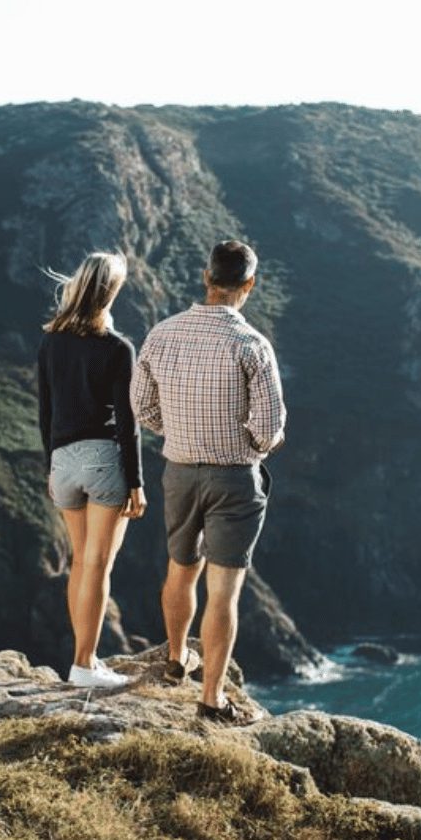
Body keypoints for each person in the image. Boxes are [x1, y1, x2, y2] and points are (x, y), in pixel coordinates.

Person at [131, 240, 286, 723]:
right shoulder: (252, 346)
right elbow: (268, 430)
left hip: (177, 471)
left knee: (180, 568)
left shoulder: (161, 334)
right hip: (234, 478)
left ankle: (177, 659)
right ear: (249, 285)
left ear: (206, 276)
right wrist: (259, 447)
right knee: (224, 590)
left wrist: (177, 430)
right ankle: (212, 699)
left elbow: (142, 408)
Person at [38, 251, 147, 689]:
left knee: (80, 564)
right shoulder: (118, 349)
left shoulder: (50, 342)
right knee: (98, 565)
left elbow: (45, 412)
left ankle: (83, 660)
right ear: (110, 292)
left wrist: (52, 466)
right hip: (103, 461)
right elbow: (127, 421)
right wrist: (136, 481)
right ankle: (85, 666)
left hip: (62, 463)